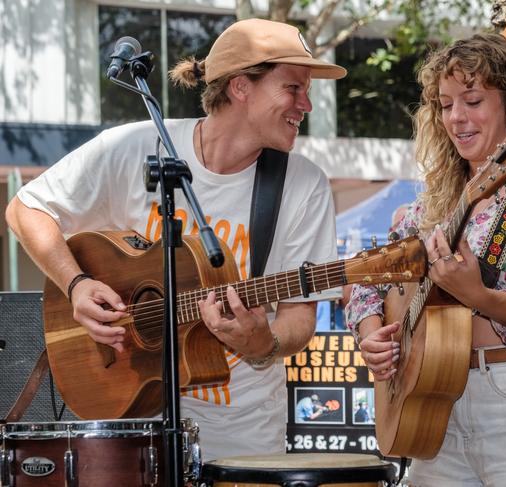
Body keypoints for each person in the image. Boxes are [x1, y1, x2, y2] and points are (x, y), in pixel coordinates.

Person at [6, 18, 346, 460]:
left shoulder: (303, 185)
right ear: (241, 87)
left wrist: (264, 342)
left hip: (242, 436)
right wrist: (76, 284)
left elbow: (299, 319)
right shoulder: (133, 148)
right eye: (293, 89)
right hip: (128, 421)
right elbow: (26, 208)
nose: (307, 105)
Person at [346, 33, 506, 486]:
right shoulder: (432, 203)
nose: (456, 117)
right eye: (445, 105)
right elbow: (368, 279)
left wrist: (477, 295)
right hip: (434, 402)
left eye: (473, 100)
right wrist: (371, 336)